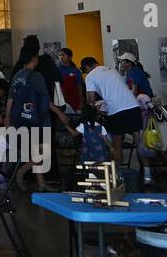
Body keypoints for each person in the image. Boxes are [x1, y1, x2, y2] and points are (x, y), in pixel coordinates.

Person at [8, 52, 74, 191]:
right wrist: (59, 113)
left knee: (37, 151)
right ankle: (21, 172)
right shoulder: (36, 76)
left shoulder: (17, 76)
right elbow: (46, 100)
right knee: (44, 152)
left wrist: (8, 116)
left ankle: (41, 183)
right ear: (34, 59)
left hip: (23, 118)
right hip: (39, 119)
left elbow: (11, 98)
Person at [81, 57, 144, 172]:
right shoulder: (111, 69)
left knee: (117, 144)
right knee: (139, 143)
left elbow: (90, 101)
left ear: (86, 67)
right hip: (133, 106)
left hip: (116, 110)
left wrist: (89, 114)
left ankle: (116, 175)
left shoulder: (90, 76)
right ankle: (147, 175)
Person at [57, 48, 84, 112]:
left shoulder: (76, 70)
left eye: (63, 55)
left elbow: (79, 86)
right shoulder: (57, 70)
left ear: (70, 57)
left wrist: (80, 102)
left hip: (75, 101)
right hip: (62, 101)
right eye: (60, 55)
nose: (61, 57)